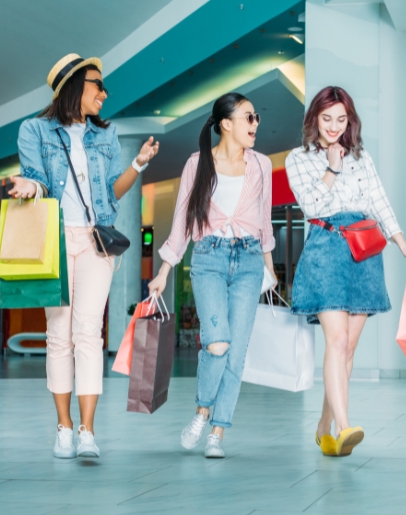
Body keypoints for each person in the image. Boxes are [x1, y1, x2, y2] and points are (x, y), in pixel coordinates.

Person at [9, 54, 159, 459]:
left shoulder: (106, 136)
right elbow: (38, 180)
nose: (104, 93)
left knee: (89, 331)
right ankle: (63, 427)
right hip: (54, 241)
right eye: (98, 84)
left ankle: (88, 432)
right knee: (58, 334)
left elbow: (111, 193)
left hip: (96, 241)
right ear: (73, 86)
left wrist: (138, 164)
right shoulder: (34, 130)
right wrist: (29, 187)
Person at [285, 86, 406, 457]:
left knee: (348, 347)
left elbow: (379, 201)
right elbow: (312, 205)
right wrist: (332, 166)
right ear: (314, 118)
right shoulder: (297, 159)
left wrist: (402, 244)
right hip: (326, 248)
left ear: (349, 120)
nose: (334, 126)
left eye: (341, 119)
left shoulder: (362, 157)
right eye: (326, 118)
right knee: (335, 341)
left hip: (365, 250)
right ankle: (345, 426)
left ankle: (324, 428)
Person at [149, 92, 276, 459]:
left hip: (250, 260)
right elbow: (183, 221)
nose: (255, 125)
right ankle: (202, 410)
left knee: (236, 355)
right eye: (248, 118)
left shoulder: (262, 165)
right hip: (208, 259)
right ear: (226, 124)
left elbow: (264, 221)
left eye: (256, 118)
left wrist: (269, 269)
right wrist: (164, 271)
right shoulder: (197, 163)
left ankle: (218, 431)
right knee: (217, 342)